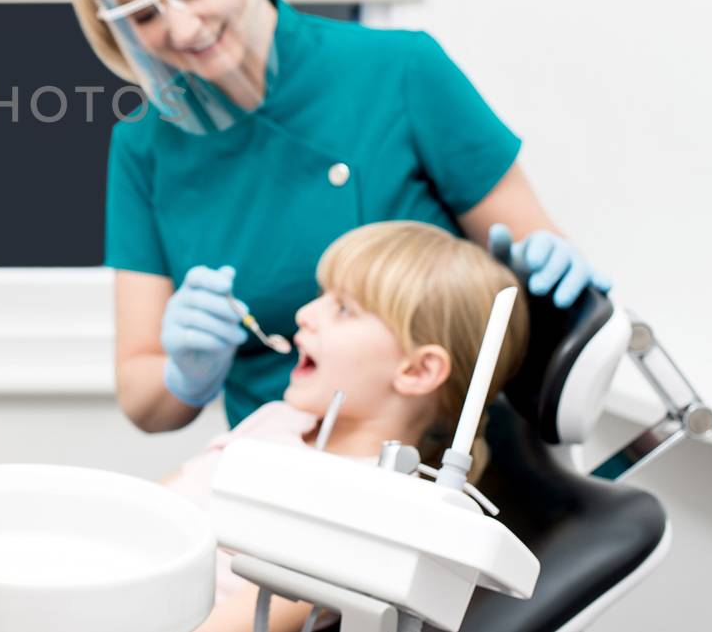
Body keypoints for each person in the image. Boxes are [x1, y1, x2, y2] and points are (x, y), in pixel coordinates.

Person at [66, 0, 607, 432]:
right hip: (277, 457)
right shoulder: (145, 148)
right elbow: (143, 400)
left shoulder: (401, 71)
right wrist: (185, 373)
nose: (182, 27)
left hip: (434, 453)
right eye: (144, 17)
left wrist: (537, 266)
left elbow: (527, 255)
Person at [162, 221, 531, 631]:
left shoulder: (370, 521)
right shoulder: (280, 419)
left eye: (343, 309)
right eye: (322, 296)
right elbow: (156, 500)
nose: (304, 314)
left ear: (417, 370)